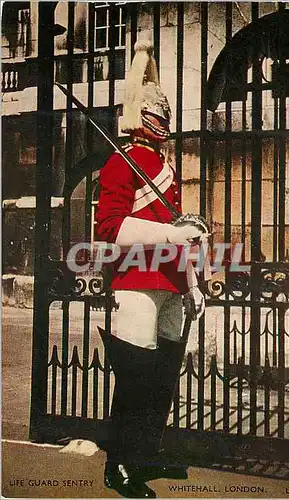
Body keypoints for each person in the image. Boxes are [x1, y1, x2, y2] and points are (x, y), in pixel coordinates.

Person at [96, 39, 206, 498]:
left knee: (161, 380)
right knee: (137, 379)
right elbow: (110, 230)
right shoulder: (120, 163)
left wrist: (193, 282)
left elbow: (176, 228)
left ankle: (146, 454)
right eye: (156, 109)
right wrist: (170, 237)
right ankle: (118, 465)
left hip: (172, 282)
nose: (163, 117)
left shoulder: (165, 166)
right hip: (137, 280)